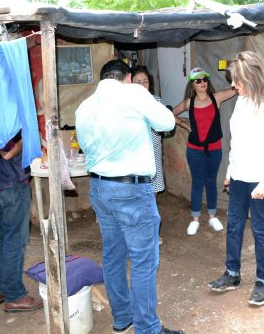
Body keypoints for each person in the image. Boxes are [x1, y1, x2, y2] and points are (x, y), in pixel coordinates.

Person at [75, 60, 183, 334]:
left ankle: (122, 317)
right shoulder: (133, 93)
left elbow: (85, 146)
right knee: (143, 260)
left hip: (99, 187)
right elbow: (167, 122)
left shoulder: (84, 106)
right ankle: (147, 328)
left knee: (113, 255)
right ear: (126, 78)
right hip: (131, 190)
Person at [207, 51, 264, 306]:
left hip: (261, 178)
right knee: (233, 226)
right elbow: (237, 142)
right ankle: (232, 274)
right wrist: (230, 173)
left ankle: (263, 281)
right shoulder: (242, 101)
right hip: (240, 175)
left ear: (252, 77)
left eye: (237, 80)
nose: (233, 86)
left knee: (260, 229)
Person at [172, 67, 237, 236]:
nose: (202, 82)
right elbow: (170, 114)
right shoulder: (189, 103)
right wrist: (184, 125)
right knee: (197, 182)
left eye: (205, 79)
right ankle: (195, 219)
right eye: (198, 80)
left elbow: (236, 88)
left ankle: (212, 217)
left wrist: (238, 72)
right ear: (192, 84)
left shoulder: (216, 98)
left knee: (211, 181)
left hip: (214, 148)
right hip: (195, 150)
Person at [0, 130, 43, 313]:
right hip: (11, 182)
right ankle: (15, 295)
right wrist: (25, 140)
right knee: (15, 240)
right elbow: (7, 152)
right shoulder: (5, 119)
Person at [132, 65, 166, 245]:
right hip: (134, 156)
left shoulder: (156, 101)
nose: (142, 85)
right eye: (138, 82)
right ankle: (138, 234)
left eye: (145, 81)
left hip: (153, 155)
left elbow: (163, 125)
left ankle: (153, 234)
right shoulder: (127, 103)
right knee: (136, 197)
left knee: (152, 196)